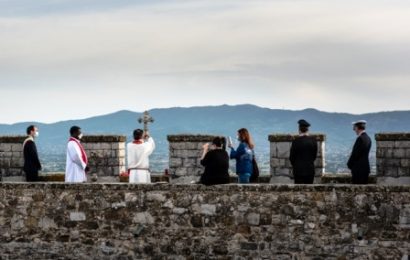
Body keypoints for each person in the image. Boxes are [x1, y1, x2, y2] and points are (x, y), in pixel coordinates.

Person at [289, 119, 318, 184]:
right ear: (308, 130)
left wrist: (296, 165)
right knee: (309, 191)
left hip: (298, 171)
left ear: (299, 129)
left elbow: (291, 158)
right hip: (310, 170)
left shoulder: (295, 141)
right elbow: (314, 156)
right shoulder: (313, 141)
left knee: (298, 191)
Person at [347, 120, 372, 184]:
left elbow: (355, 154)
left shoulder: (360, 139)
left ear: (357, 128)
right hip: (365, 168)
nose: (354, 130)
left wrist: (349, 164)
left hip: (358, 170)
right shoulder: (368, 138)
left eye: (354, 128)